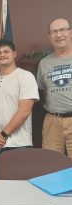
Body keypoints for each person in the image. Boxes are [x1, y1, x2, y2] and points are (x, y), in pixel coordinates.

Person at [0, 39, 39, 179]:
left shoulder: (25, 76)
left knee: (18, 188)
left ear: (14, 54)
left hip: (18, 144)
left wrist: (3, 135)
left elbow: (25, 110)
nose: (2, 55)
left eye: (6, 51)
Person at [37, 17, 72, 160]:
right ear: (49, 37)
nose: (58, 35)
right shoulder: (44, 63)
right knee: (52, 166)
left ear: (70, 32)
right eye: (54, 32)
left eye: (62, 30)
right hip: (52, 121)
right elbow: (44, 90)